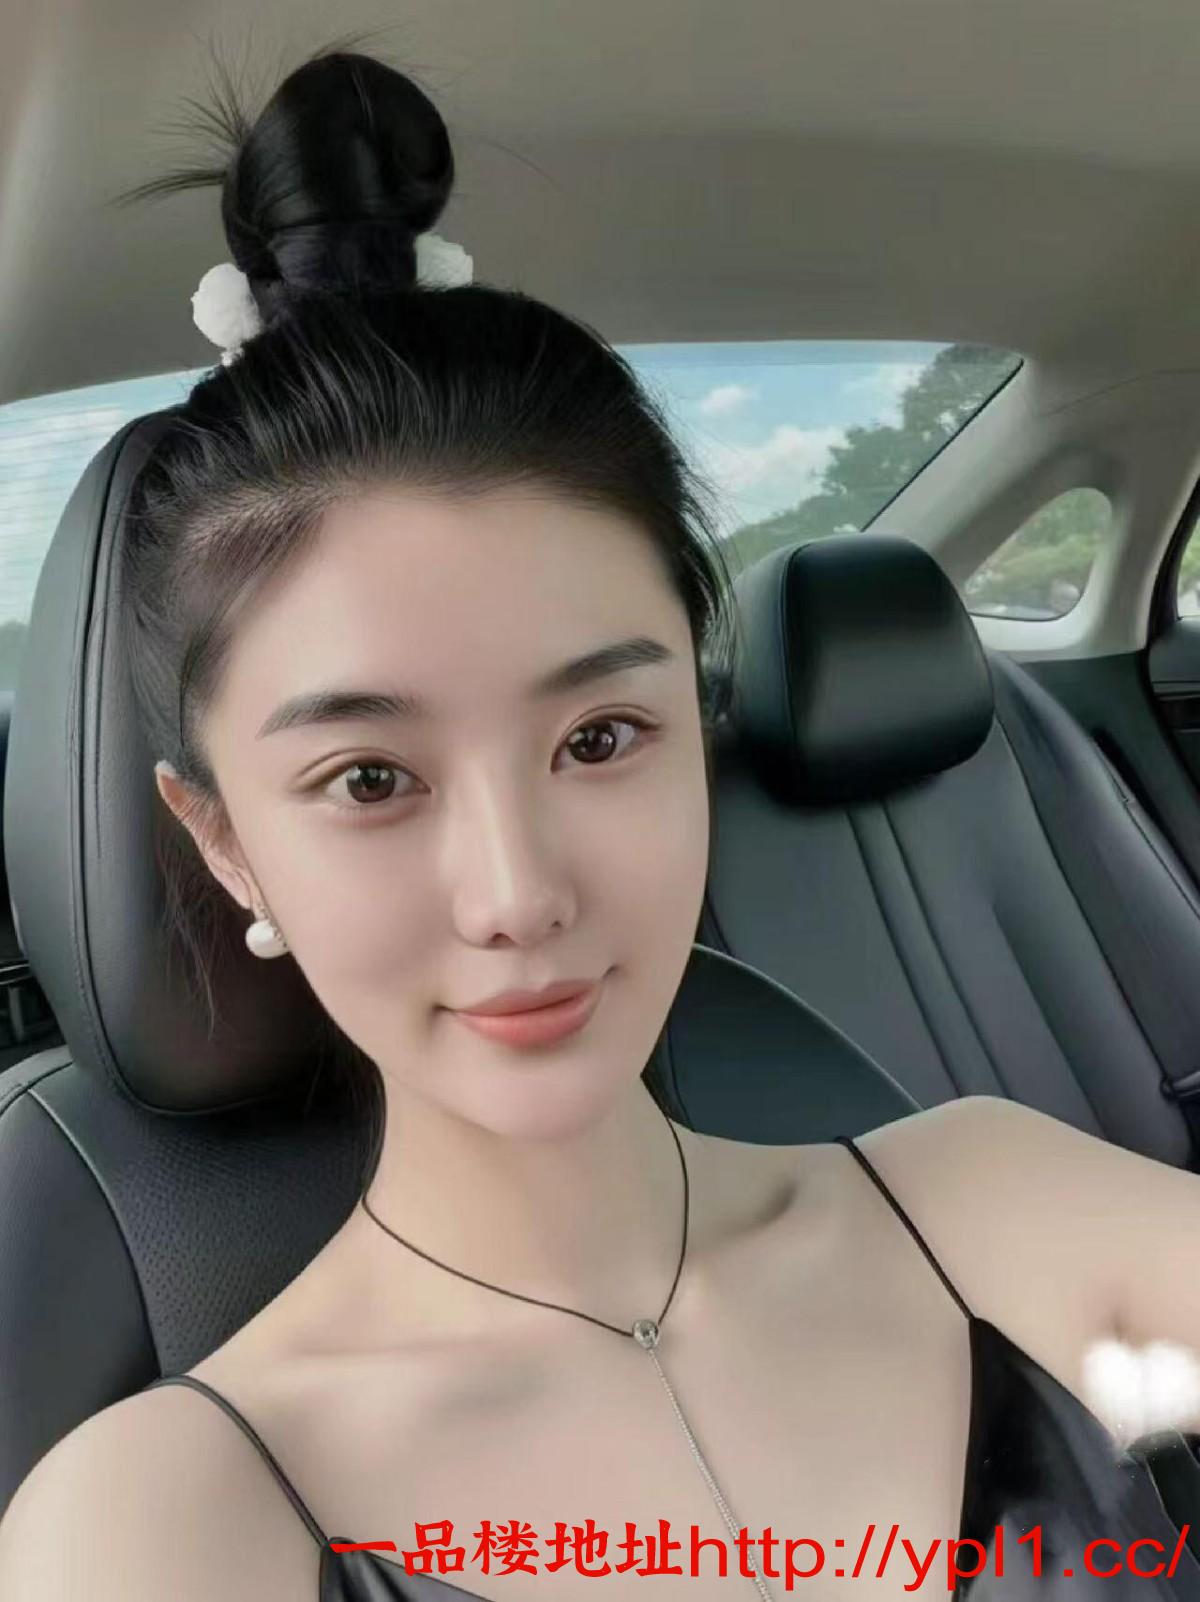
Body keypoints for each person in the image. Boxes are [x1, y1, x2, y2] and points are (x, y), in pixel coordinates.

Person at [1, 34, 1199, 1602]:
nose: (517, 893)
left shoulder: (992, 1204)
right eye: (369, 779)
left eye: (599, 736)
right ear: (226, 842)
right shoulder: (167, 1516)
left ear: (694, 734)